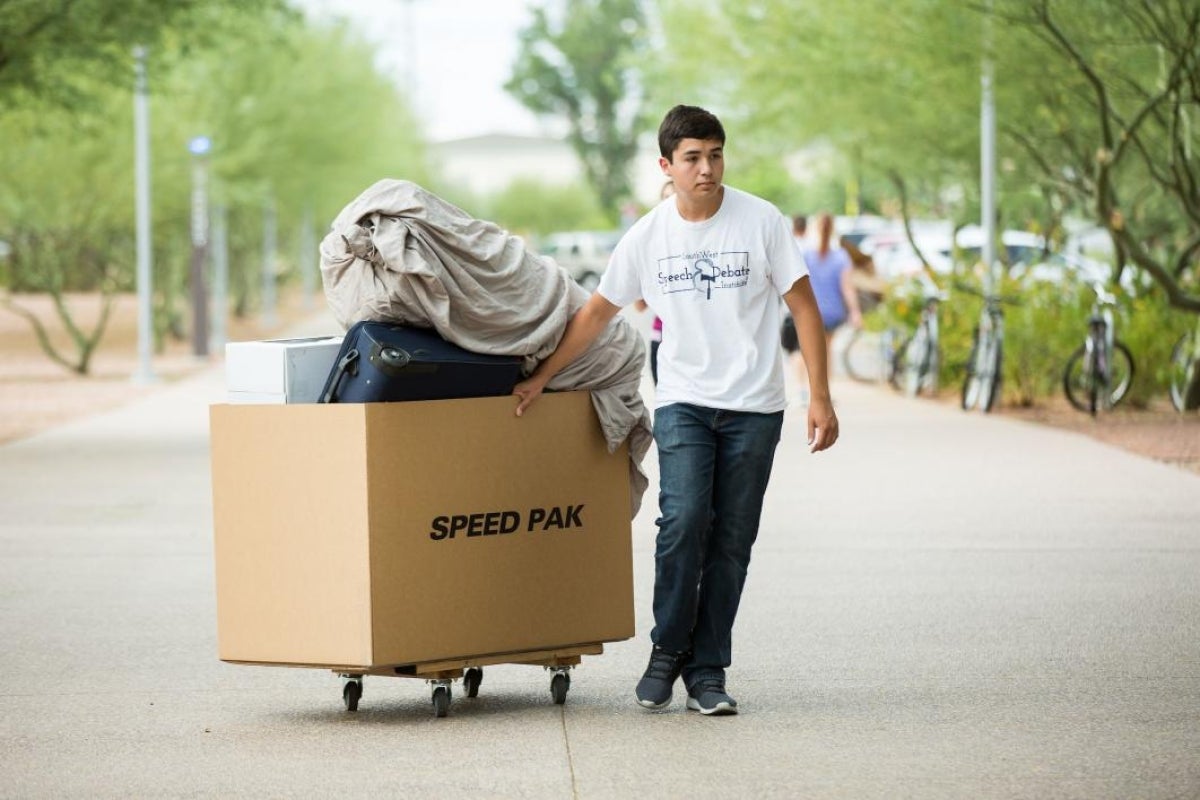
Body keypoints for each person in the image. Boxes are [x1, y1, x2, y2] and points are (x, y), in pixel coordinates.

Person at [513, 104, 839, 716]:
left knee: (732, 539)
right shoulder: (648, 236)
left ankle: (708, 670)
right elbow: (596, 315)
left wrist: (819, 396)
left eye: (715, 154)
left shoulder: (761, 221)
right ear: (666, 166)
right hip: (685, 402)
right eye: (692, 157)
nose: (707, 168)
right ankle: (667, 651)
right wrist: (543, 377)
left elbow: (804, 308)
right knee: (684, 521)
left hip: (755, 406)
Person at [793, 213, 862, 393]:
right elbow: (847, 288)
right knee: (826, 352)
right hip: (833, 313)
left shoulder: (806, 255)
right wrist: (855, 312)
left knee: (805, 351)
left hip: (811, 311)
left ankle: (803, 390)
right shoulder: (841, 257)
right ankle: (824, 393)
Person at [633, 180, 676, 385]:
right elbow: (639, 305)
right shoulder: (654, 246)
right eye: (666, 198)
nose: (671, 203)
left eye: (675, 196)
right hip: (661, 339)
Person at [780, 214, 807, 385]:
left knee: (796, 350)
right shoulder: (810, 247)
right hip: (812, 304)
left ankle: (802, 387)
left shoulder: (789, 247)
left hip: (789, 307)